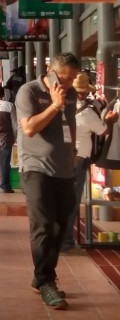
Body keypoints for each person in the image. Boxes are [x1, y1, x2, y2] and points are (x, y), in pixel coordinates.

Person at [15, 53, 79, 310]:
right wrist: (54, 105)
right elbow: (29, 128)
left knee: (60, 227)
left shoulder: (71, 94)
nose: (69, 83)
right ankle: (46, 281)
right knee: (43, 225)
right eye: (65, 78)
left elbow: (69, 126)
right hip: (36, 168)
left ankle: (42, 276)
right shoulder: (29, 92)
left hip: (64, 170)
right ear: (50, 71)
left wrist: (72, 154)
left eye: (73, 78)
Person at [61, 73, 118, 252]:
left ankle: (58, 240)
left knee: (61, 200)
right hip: (79, 159)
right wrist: (109, 121)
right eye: (82, 92)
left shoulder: (60, 107)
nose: (82, 95)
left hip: (60, 158)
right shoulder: (88, 112)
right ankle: (66, 242)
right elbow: (103, 132)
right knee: (72, 201)